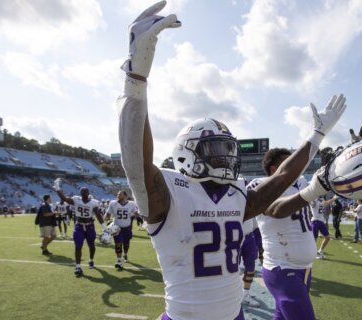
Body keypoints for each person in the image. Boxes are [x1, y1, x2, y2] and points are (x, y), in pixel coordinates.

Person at [117, 2, 346, 319]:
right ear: (188, 152)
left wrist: (317, 136)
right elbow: (136, 162)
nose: (226, 158)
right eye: (215, 150)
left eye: (228, 150)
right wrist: (136, 78)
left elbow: (281, 179)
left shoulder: (236, 194)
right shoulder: (170, 191)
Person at [247, 148, 317, 319]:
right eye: (290, 163)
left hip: (304, 270)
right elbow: (277, 209)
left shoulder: (300, 182)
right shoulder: (259, 185)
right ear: (274, 169)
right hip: (283, 269)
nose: (296, 167)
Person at [53, 182, 107, 277]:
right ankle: (78, 266)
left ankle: (91, 259)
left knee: (92, 246)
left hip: (90, 226)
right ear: (80, 193)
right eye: (82, 191)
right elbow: (64, 198)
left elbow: (98, 214)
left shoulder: (93, 202)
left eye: (85, 191)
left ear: (88, 193)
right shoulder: (76, 200)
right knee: (78, 246)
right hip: (79, 226)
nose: (84, 192)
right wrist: (58, 189)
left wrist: (103, 226)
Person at [104, 190, 139, 270]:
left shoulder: (131, 204)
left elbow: (136, 213)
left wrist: (138, 216)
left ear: (125, 196)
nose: (118, 196)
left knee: (126, 244)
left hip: (127, 228)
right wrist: (107, 219)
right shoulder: (113, 203)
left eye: (120, 195)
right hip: (117, 228)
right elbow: (107, 214)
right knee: (118, 244)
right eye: (117, 194)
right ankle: (119, 261)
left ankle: (125, 254)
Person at [240, 218, 260, 307]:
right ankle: (233, 294)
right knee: (232, 269)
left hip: (249, 236)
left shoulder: (248, 203)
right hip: (232, 236)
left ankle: (245, 294)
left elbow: (255, 224)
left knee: (251, 267)